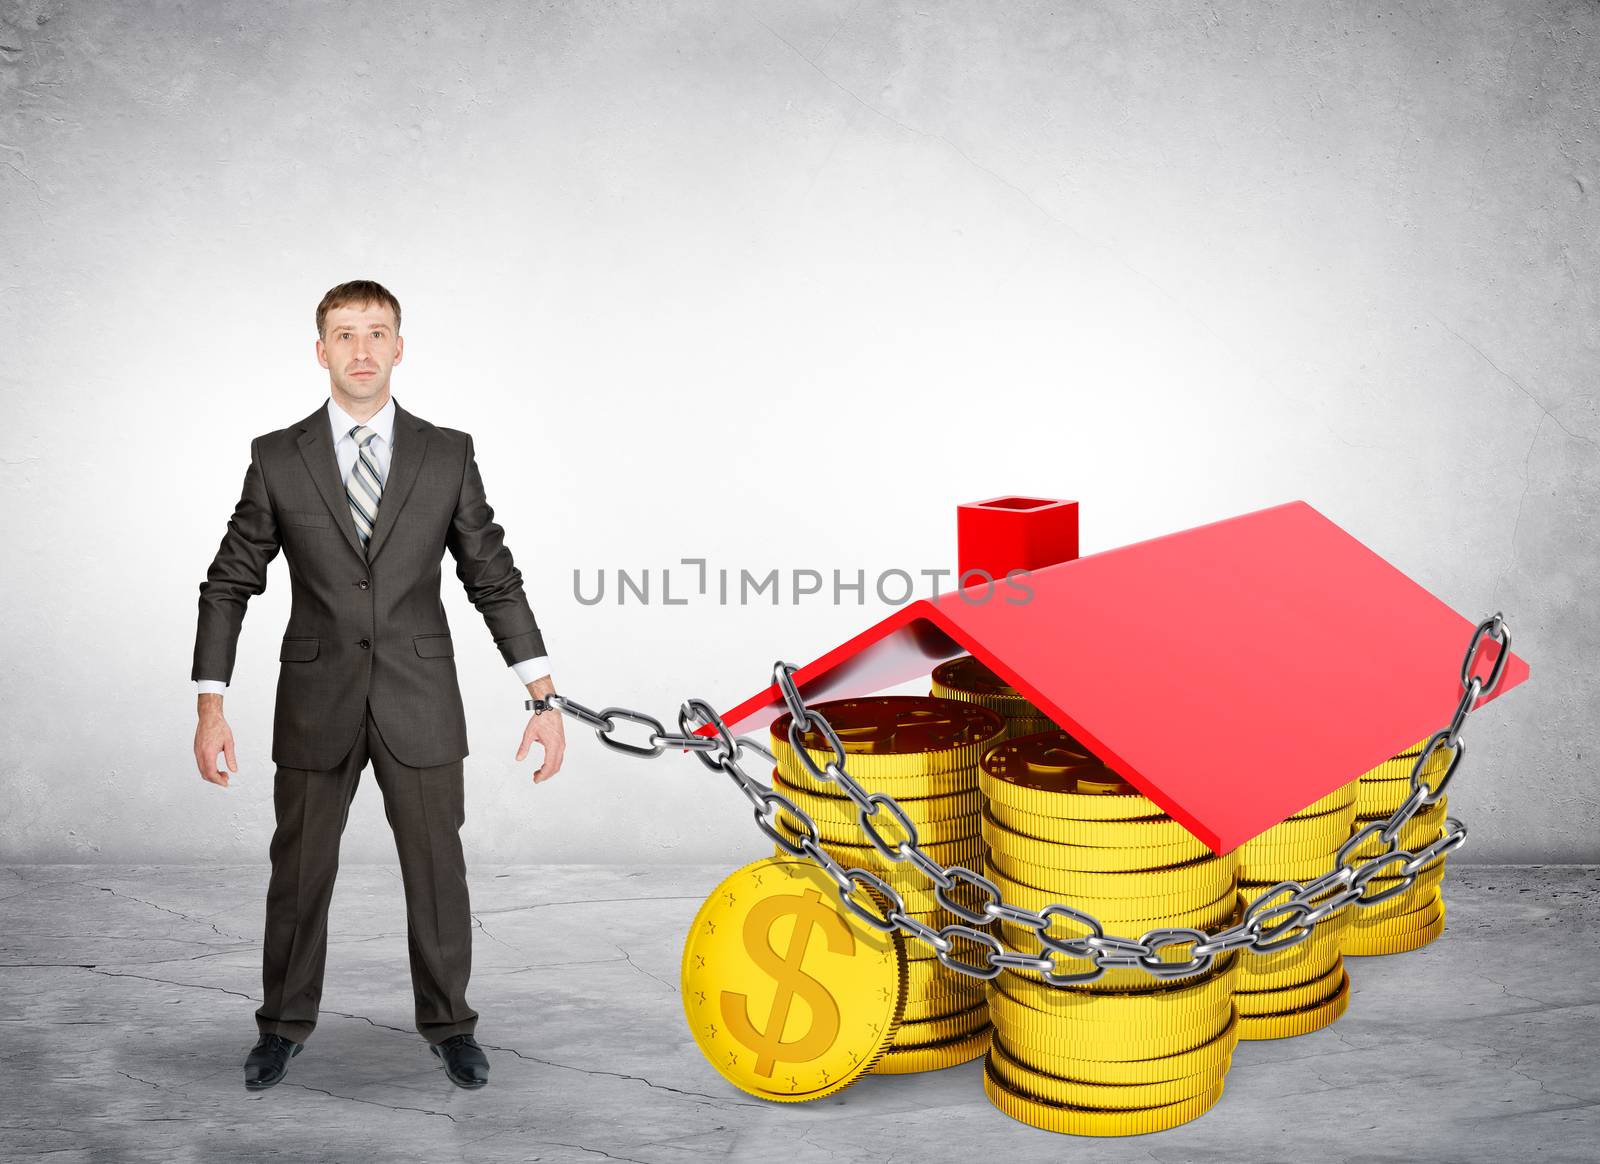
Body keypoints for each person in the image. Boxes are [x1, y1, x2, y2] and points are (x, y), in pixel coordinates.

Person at [189, 279, 566, 1092]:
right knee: (298, 874)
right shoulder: (277, 457)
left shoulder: (448, 452)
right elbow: (228, 582)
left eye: (377, 333)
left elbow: (492, 577)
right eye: (345, 334)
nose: (361, 349)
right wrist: (211, 704)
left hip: (419, 699)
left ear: (400, 347)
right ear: (320, 350)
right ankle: (281, 1027)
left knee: (437, 871)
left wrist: (543, 697)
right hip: (316, 700)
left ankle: (452, 1025)